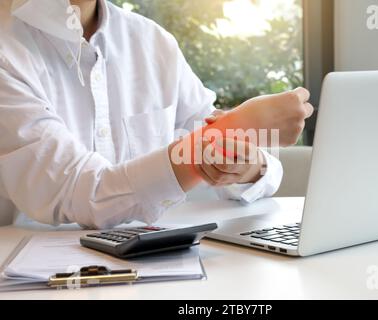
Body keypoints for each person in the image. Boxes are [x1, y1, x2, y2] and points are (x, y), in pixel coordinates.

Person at [0, 0, 314, 229]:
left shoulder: (152, 41)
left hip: (164, 266)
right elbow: (82, 193)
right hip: (41, 282)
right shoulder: (7, 47)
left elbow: (251, 165)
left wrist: (246, 165)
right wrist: (239, 125)